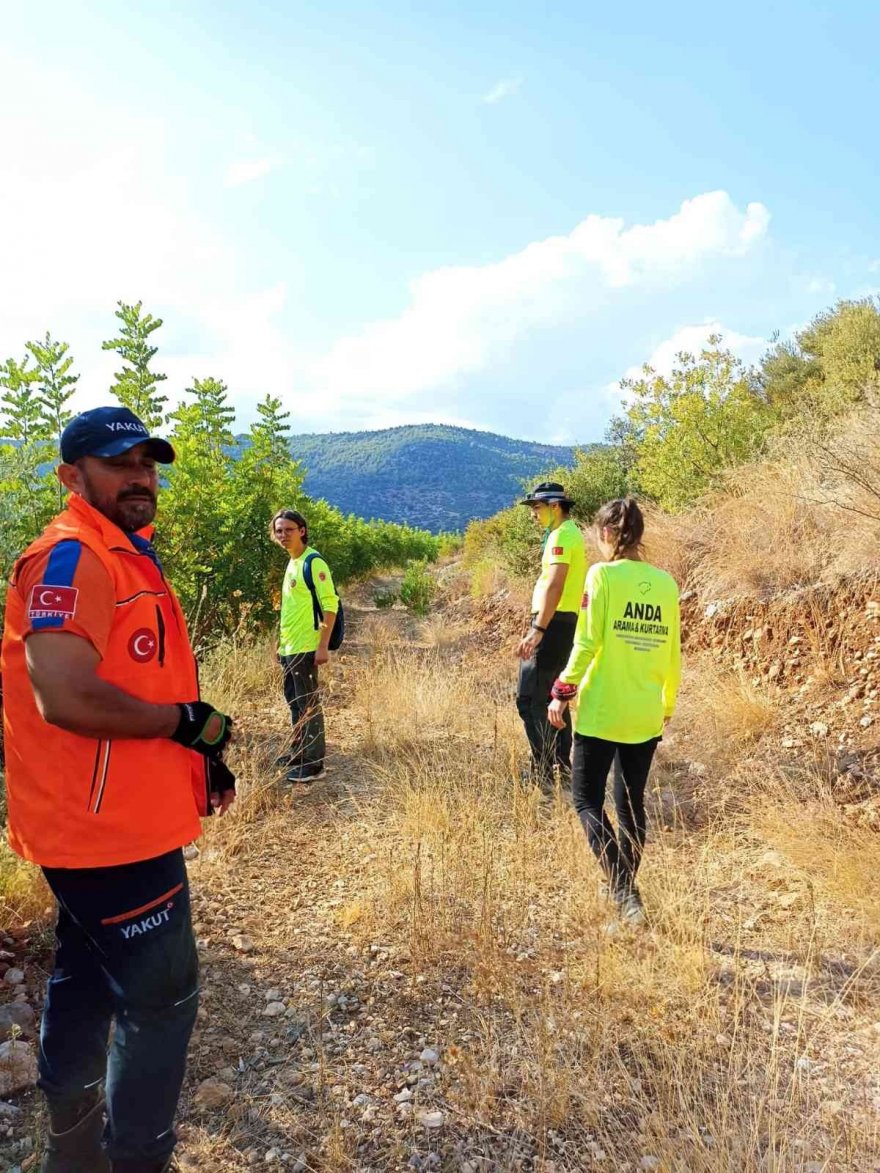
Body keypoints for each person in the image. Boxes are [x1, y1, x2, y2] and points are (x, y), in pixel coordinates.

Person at [0, 406, 236, 1173]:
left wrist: (200, 753)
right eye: (118, 462)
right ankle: (135, 1160)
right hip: (103, 834)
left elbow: (142, 681)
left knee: (86, 968)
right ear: (72, 476)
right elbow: (63, 695)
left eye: (148, 461)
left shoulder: (123, 550)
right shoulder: (70, 558)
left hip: (121, 818)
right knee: (161, 996)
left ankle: (71, 1152)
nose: (140, 475)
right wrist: (180, 720)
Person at [548, 497, 680, 925]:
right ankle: (625, 890)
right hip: (644, 712)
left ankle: (624, 892)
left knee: (586, 800)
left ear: (606, 534)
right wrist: (667, 704)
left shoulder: (600, 576)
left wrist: (562, 691)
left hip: (603, 710)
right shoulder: (665, 584)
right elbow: (673, 653)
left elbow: (586, 643)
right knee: (630, 806)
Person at [516, 482, 587, 788]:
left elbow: (555, 584)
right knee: (551, 696)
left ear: (555, 506)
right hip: (560, 622)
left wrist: (538, 629)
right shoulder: (564, 534)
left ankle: (544, 773)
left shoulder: (563, 535)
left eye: (537, 507)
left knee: (530, 698)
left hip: (554, 624)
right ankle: (561, 767)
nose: (534, 514)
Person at [270, 509, 339, 783]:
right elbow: (292, 609)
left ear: (302, 530)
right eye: (279, 530)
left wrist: (322, 646)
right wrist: (281, 644)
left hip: (306, 647)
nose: (283, 535)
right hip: (290, 648)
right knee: (295, 702)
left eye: (288, 529)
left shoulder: (313, 562)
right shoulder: (293, 562)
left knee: (308, 704)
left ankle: (313, 764)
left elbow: (329, 606)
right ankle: (298, 752)